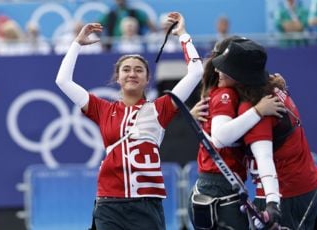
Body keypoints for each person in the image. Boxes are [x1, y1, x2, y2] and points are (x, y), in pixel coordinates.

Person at [56, 12, 203, 230]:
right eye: (126, 69)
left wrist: (182, 34)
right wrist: (77, 43)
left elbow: (196, 71)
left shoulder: (160, 108)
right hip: (109, 204)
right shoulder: (102, 109)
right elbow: (63, 81)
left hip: (147, 204)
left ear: (147, 78)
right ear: (117, 77)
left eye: (138, 70)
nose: (132, 74)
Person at [212, 39, 317, 229]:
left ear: (240, 75)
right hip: (308, 188)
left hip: (283, 196)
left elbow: (264, 158)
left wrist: (272, 204)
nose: (218, 71)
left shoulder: (256, 107)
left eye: (225, 68)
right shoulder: (275, 89)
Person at [187, 37, 286, 229]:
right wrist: (258, 111)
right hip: (218, 189)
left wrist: (272, 83)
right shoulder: (226, 94)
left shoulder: (230, 91)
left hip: (217, 187)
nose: (217, 68)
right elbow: (220, 138)